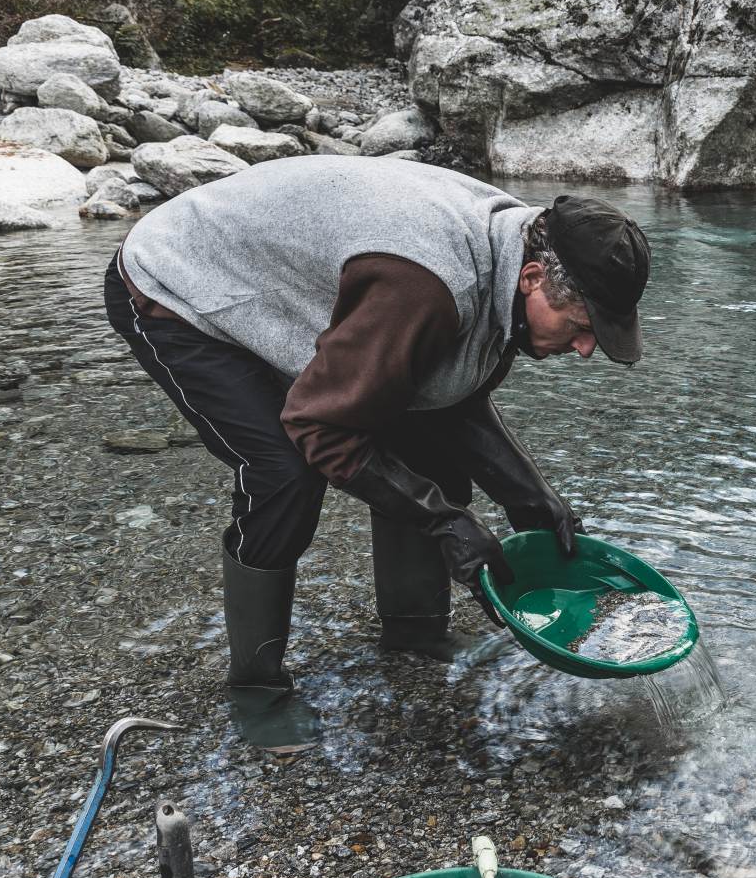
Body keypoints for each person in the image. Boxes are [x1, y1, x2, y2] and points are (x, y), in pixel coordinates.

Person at [104, 155, 650, 741]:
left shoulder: (515, 249)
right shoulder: (424, 285)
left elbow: (447, 398)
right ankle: (256, 689)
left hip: (298, 276)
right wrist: (445, 522)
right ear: (534, 279)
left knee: (428, 448)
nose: (587, 347)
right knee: (283, 473)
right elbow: (322, 429)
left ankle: (415, 629)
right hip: (183, 283)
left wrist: (531, 497)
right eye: (580, 325)